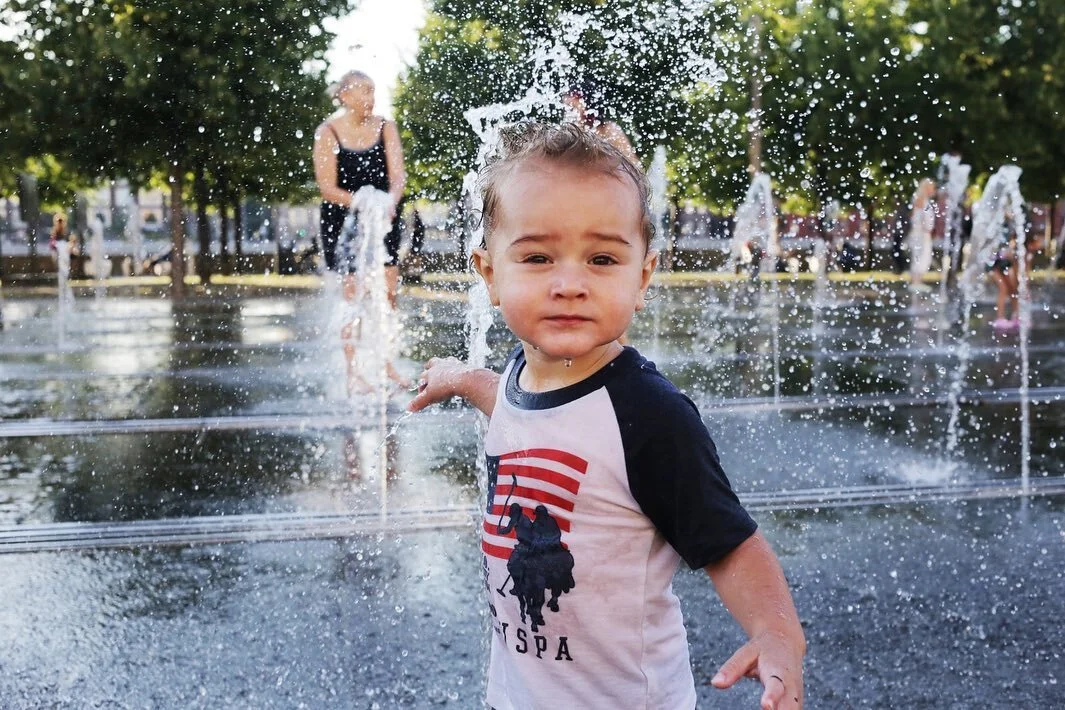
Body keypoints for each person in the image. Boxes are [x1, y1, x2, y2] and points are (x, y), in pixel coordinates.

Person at [408, 123, 805, 710]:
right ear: (489, 273)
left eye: (601, 258)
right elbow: (525, 420)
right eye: (538, 257)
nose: (570, 285)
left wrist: (776, 633)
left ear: (642, 276)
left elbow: (729, 542)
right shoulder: (521, 372)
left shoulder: (648, 414)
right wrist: (466, 380)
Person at [313, 70, 408, 392]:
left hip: (384, 218)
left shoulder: (386, 127)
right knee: (352, 298)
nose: (371, 97)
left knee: (388, 293)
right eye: (364, 91)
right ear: (344, 96)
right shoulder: (328, 132)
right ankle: (353, 372)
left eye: (373, 90)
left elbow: (398, 178)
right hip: (343, 222)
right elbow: (327, 188)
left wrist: (390, 203)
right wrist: (362, 202)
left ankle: (387, 365)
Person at [986, 208, 1041, 331]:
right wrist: (1003, 254)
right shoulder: (998, 227)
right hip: (995, 263)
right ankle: (1000, 318)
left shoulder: (1010, 228)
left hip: (1003, 263)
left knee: (1013, 290)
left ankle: (1017, 317)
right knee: (1004, 289)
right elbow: (992, 249)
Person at [907, 178, 937, 287]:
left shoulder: (924, 200)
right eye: (932, 187)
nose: (934, 190)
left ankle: (917, 281)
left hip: (924, 233)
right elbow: (917, 216)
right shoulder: (920, 199)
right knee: (919, 257)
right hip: (920, 233)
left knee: (923, 257)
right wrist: (925, 227)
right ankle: (915, 282)